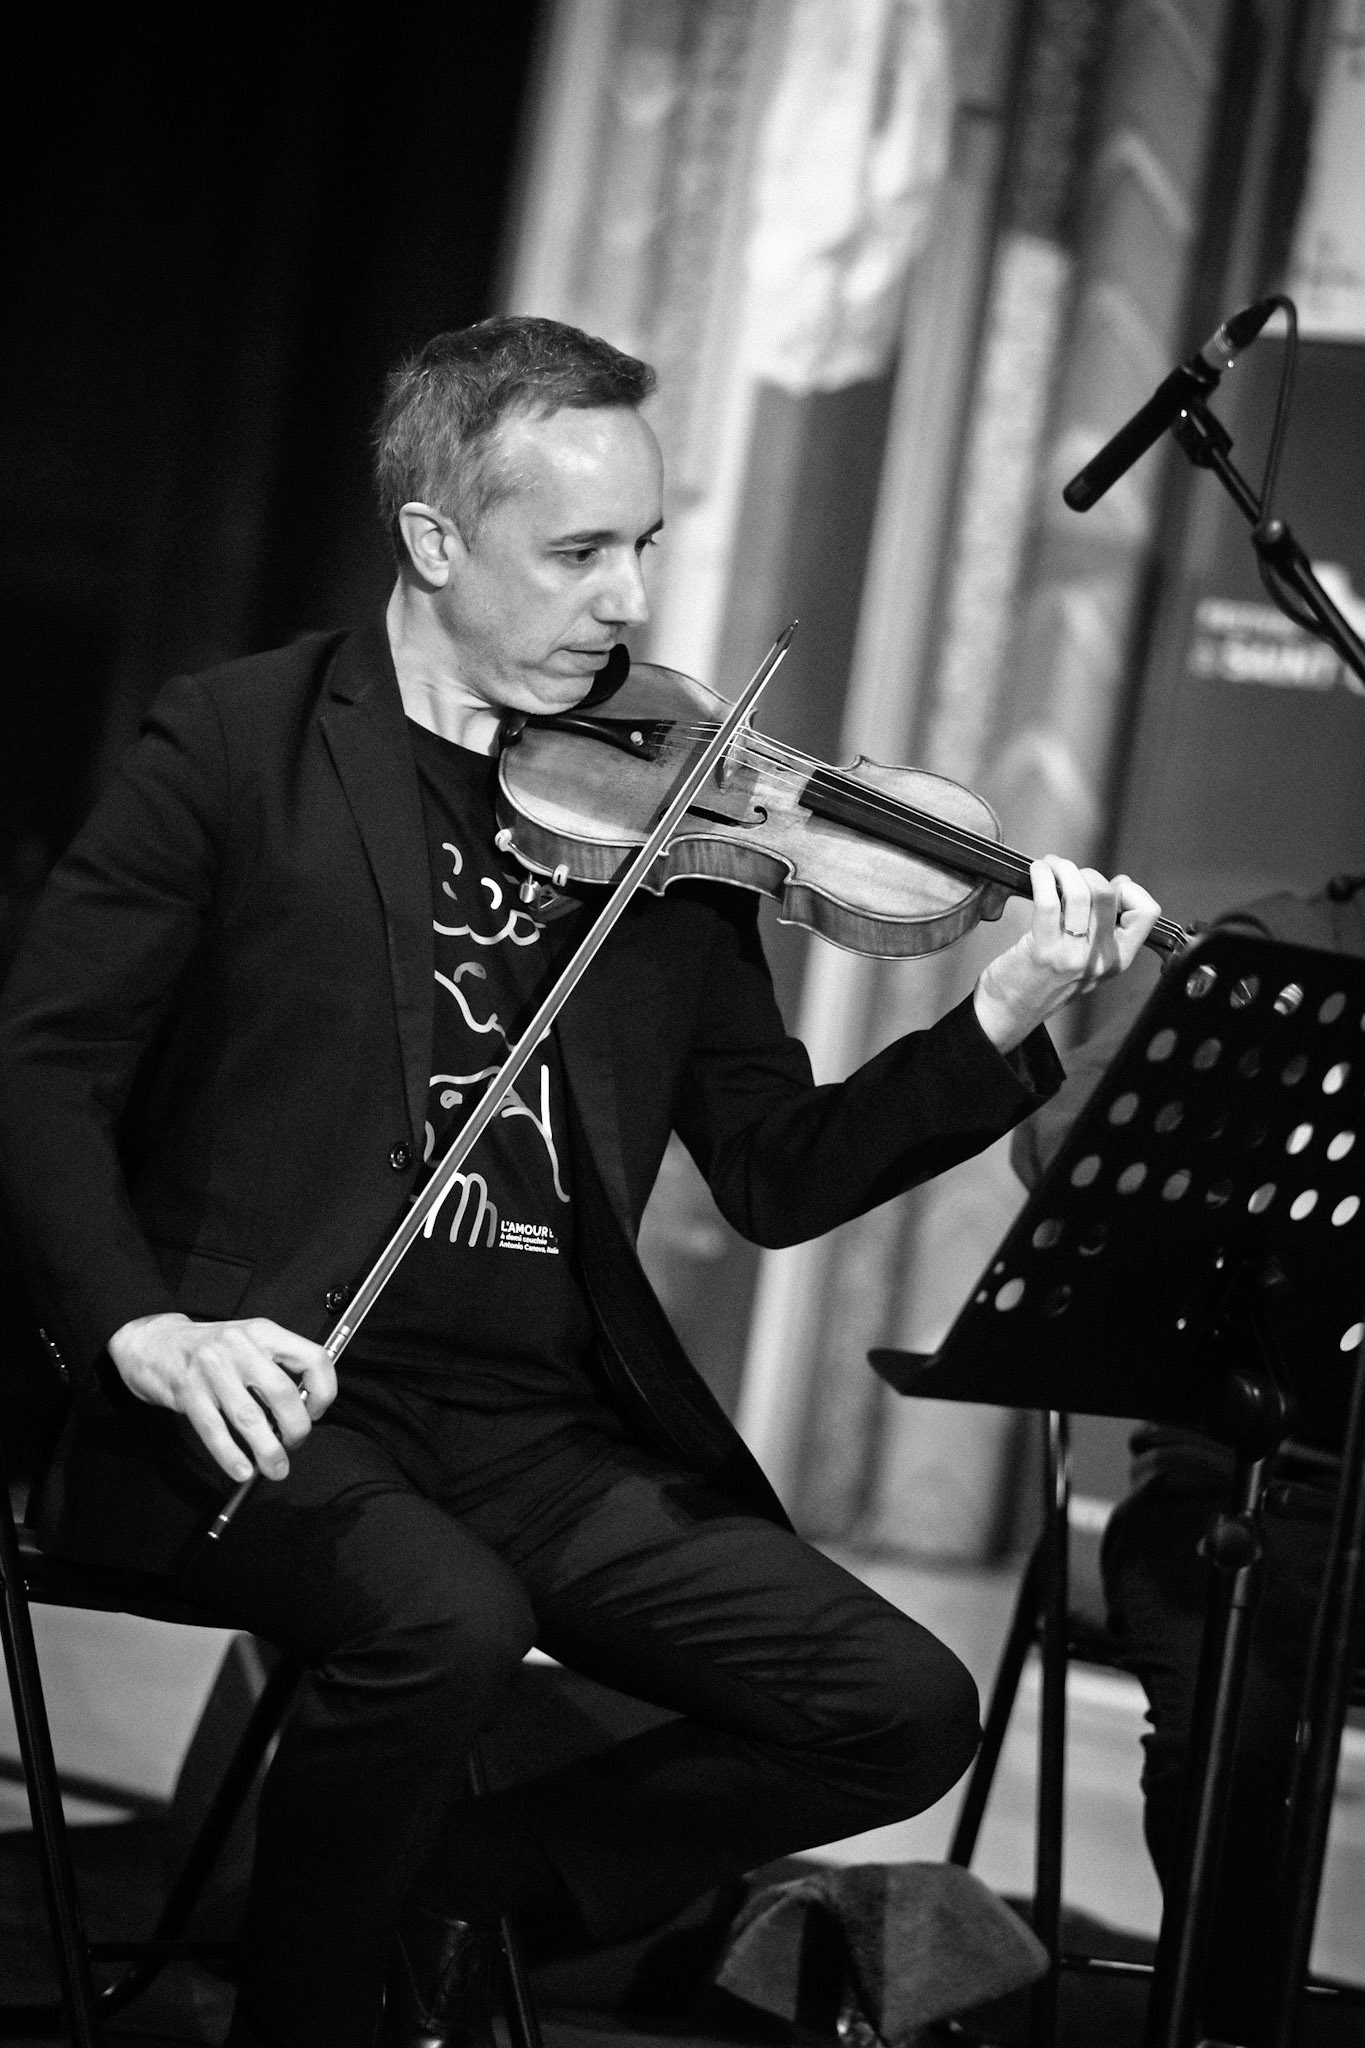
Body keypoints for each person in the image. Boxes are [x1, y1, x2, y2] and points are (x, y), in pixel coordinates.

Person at [0, 317, 1159, 2048]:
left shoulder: (677, 804)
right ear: (435, 539)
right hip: (257, 1394)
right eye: (579, 552)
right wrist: (146, 1334)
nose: (630, 599)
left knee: (899, 1703)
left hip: (540, 1428)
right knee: (444, 1620)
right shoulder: (239, 746)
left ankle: (447, 1889)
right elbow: (40, 1070)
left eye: (647, 546)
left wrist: (998, 1016)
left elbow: (773, 1168)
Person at [1010, 873, 1365, 2046]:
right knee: (1234, 1728)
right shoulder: (1287, 948)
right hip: (1259, 1471)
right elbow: (1067, 1147)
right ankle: (1228, 2024)